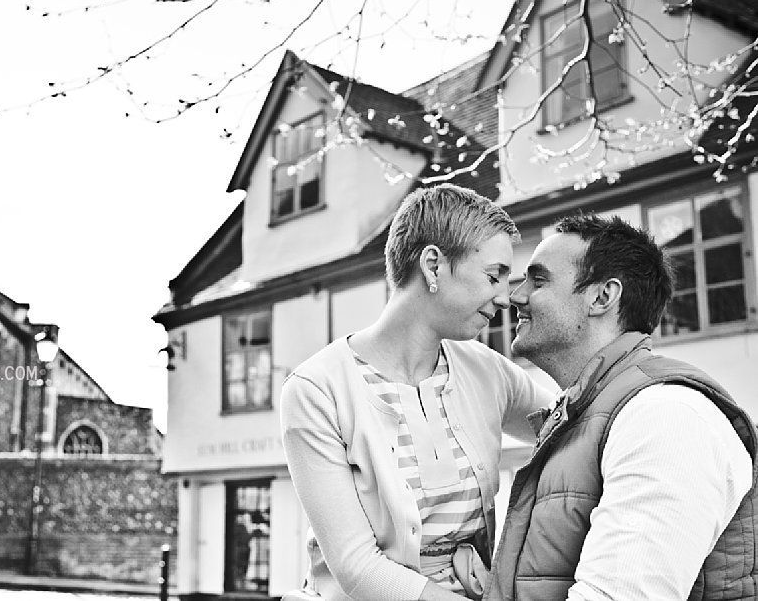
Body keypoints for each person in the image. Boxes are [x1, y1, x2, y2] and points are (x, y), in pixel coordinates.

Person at [280, 184, 553, 600]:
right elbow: (357, 567)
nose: (506, 297)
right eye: (494, 275)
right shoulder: (316, 391)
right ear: (433, 265)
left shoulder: (488, 371)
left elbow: (575, 429)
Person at [485, 214, 757, 600]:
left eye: (538, 280)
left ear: (602, 297)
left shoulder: (667, 416)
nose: (516, 296)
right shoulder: (588, 412)